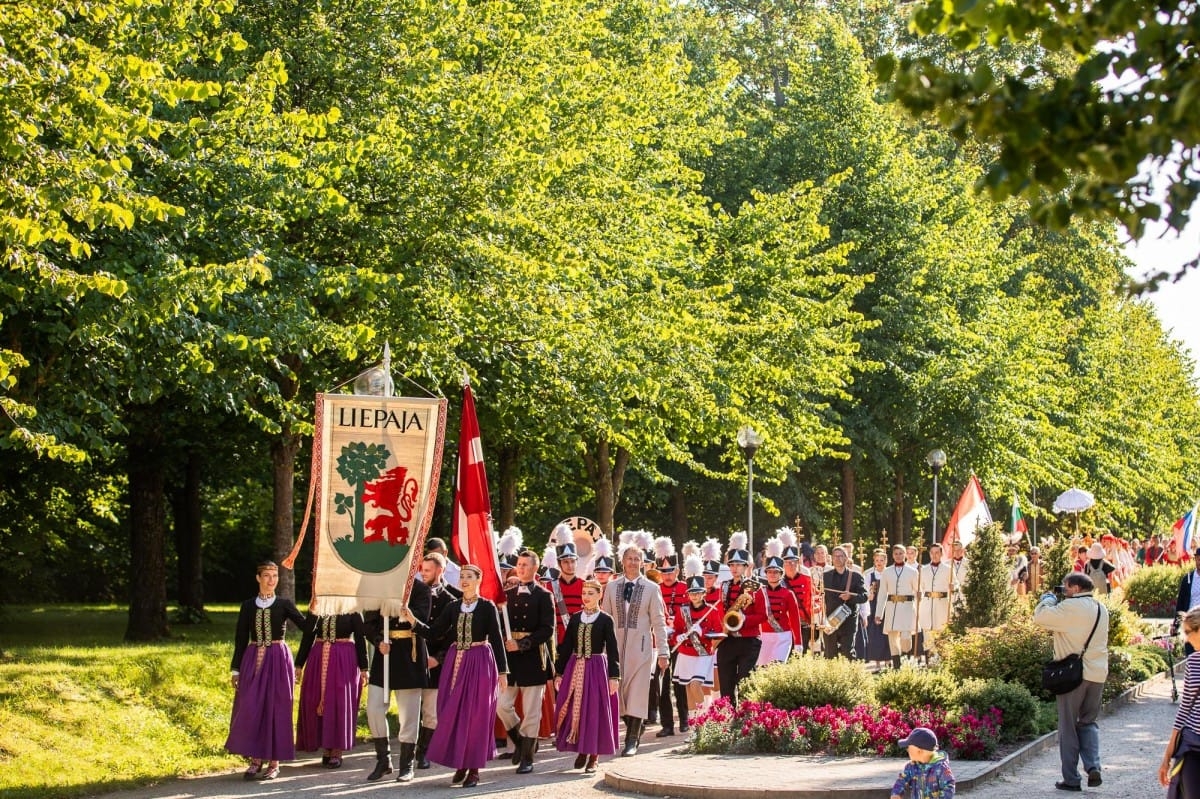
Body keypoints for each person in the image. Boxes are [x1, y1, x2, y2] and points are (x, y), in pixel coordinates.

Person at [403, 563, 507, 787]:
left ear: (478, 580)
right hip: (455, 664)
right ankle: (460, 761)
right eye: (462, 576)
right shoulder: (453, 606)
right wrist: (413, 620)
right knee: (453, 712)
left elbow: (497, 640)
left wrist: (502, 672)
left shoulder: (487, 607)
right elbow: (434, 633)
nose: (465, 580)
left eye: (469, 576)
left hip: (480, 662)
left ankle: (473, 769)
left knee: (476, 715)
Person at [225, 561, 309, 781]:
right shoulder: (248, 606)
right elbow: (241, 639)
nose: (272, 580)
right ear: (258, 578)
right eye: (267, 576)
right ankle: (255, 759)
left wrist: (317, 611)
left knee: (276, 708)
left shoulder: (284, 604)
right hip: (253, 658)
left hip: (278, 659)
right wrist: (236, 669)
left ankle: (274, 762)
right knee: (251, 706)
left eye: (275, 576)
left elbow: (307, 628)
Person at [1034, 572, 1109, 791]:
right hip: (1097, 674)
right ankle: (1093, 765)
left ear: (1075, 588)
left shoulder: (1070, 608)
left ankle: (1071, 779)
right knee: (1088, 722)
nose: (1063, 591)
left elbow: (1040, 617)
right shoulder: (1100, 609)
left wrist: (1048, 599)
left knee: (1068, 727)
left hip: (1073, 676)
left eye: (1065, 588)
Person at [600, 540, 669, 756]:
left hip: (641, 649)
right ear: (622, 562)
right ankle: (634, 728)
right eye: (629, 558)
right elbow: (605, 619)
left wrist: (664, 651)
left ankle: (631, 740)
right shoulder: (611, 587)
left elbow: (659, 621)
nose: (633, 562)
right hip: (615, 648)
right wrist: (600, 649)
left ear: (643, 563)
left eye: (637, 559)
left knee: (638, 693)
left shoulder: (652, 588)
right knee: (619, 694)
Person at [363, 576, 433, 783]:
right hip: (385, 655)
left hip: (409, 655)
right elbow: (369, 623)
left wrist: (400, 606)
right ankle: (383, 760)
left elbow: (421, 618)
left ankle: (406, 764)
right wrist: (377, 640)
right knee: (374, 708)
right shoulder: (380, 587)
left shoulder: (421, 589)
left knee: (408, 714)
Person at [497, 549, 556, 774]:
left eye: (525, 565)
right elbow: (501, 625)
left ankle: (527, 757)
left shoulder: (543, 595)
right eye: (519, 564)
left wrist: (522, 644)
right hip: (511, 660)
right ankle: (521, 743)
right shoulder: (507, 596)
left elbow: (547, 630)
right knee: (502, 705)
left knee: (532, 711)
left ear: (534, 568)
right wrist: (504, 639)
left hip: (533, 658)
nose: (520, 568)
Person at [554, 580, 621, 773]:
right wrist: (559, 672)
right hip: (576, 667)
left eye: (591, 593)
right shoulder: (576, 619)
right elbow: (566, 647)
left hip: (597, 668)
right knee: (577, 708)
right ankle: (581, 749)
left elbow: (613, 650)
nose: (586, 596)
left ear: (599, 595)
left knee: (594, 710)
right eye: (584, 592)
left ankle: (594, 756)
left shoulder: (605, 619)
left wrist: (614, 676)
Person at [294, 611, 368, 769]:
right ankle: (326, 747)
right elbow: (308, 636)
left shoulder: (352, 608)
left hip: (343, 659)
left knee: (339, 702)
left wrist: (364, 667)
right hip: (318, 658)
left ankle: (337, 749)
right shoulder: (319, 606)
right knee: (314, 699)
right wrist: (299, 663)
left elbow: (360, 638)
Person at [415, 552, 462, 769]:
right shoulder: (412, 595)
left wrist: (438, 658)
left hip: (435, 662)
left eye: (428, 570)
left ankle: (423, 752)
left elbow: (453, 636)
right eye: (422, 570)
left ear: (440, 570)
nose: (423, 574)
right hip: (413, 659)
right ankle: (409, 750)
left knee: (431, 712)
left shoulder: (451, 601)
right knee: (412, 708)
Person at [714, 532, 767, 703]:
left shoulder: (755, 587)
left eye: (739, 565)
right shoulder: (724, 586)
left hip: (748, 640)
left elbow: (763, 615)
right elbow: (720, 610)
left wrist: (744, 620)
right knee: (726, 684)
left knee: (745, 683)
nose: (735, 568)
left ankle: (745, 721)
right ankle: (727, 719)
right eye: (732, 565)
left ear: (746, 567)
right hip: (727, 639)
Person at [1159, 607, 1200, 795]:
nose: (1187, 639)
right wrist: (1167, 756)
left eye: (1188, 632)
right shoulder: (1193, 661)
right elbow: (1184, 709)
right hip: (1193, 745)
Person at [652, 536, 688, 737]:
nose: (667, 575)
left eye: (670, 571)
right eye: (663, 572)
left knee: (680, 681)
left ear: (677, 571)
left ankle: (684, 720)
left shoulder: (684, 588)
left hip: (681, 641)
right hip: (662, 642)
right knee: (662, 685)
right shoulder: (654, 589)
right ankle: (667, 724)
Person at [756, 539, 802, 666]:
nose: (772, 575)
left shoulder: (788, 594)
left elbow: (794, 619)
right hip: (764, 636)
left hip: (783, 636)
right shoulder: (760, 592)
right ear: (765, 574)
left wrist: (798, 642)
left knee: (777, 667)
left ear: (781, 574)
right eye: (769, 572)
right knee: (763, 670)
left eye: (775, 572)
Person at [875, 544, 918, 669]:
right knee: (893, 640)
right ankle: (897, 667)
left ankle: (907, 661)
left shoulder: (913, 571)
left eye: (901, 553)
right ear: (892, 555)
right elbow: (882, 593)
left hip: (907, 609)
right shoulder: (887, 572)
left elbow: (918, 590)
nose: (899, 556)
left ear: (905, 555)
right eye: (896, 554)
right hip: (892, 608)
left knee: (905, 638)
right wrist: (879, 614)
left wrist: (919, 594)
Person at [821, 546, 867, 659]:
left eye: (841, 556)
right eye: (835, 556)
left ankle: (852, 675)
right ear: (831, 558)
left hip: (848, 619)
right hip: (830, 619)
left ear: (846, 558)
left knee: (847, 651)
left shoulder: (856, 576)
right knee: (830, 653)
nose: (837, 559)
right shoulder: (825, 577)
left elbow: (864, 596)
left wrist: (850, 596)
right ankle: (832, 677)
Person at [889, 726, 955, 799]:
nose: (907, 750)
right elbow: (902, 780)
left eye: (908, 748)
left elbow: (949, 785)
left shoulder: (940, 767)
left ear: (919, 752)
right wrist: (896, 793)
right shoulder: (911, 766)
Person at [917, 544, 953, 664]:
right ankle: (929, 662)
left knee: (941, 631)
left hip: (942, 604)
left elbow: (956, 585)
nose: (934, 555)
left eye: (937, 552)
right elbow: (919, 587)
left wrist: (953, 587)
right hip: (927, 604)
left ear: (941, 554)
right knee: (927, 632)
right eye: (932, 553)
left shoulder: (948, 569)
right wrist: (918, 593)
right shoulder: (924, 569)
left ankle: (942, 660)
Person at [864, 549, 891, 666]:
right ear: (874, 562)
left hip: (888, 606)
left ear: (886, 561)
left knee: (887, 634)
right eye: (877, 560)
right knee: (875, 635)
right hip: (874, 606)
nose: (879, 563)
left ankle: (889, 660)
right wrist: (869, 594)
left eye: (882, 560)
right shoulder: (870, 575)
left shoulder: (889, 573)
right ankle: (877, 662)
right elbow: (865, 591)